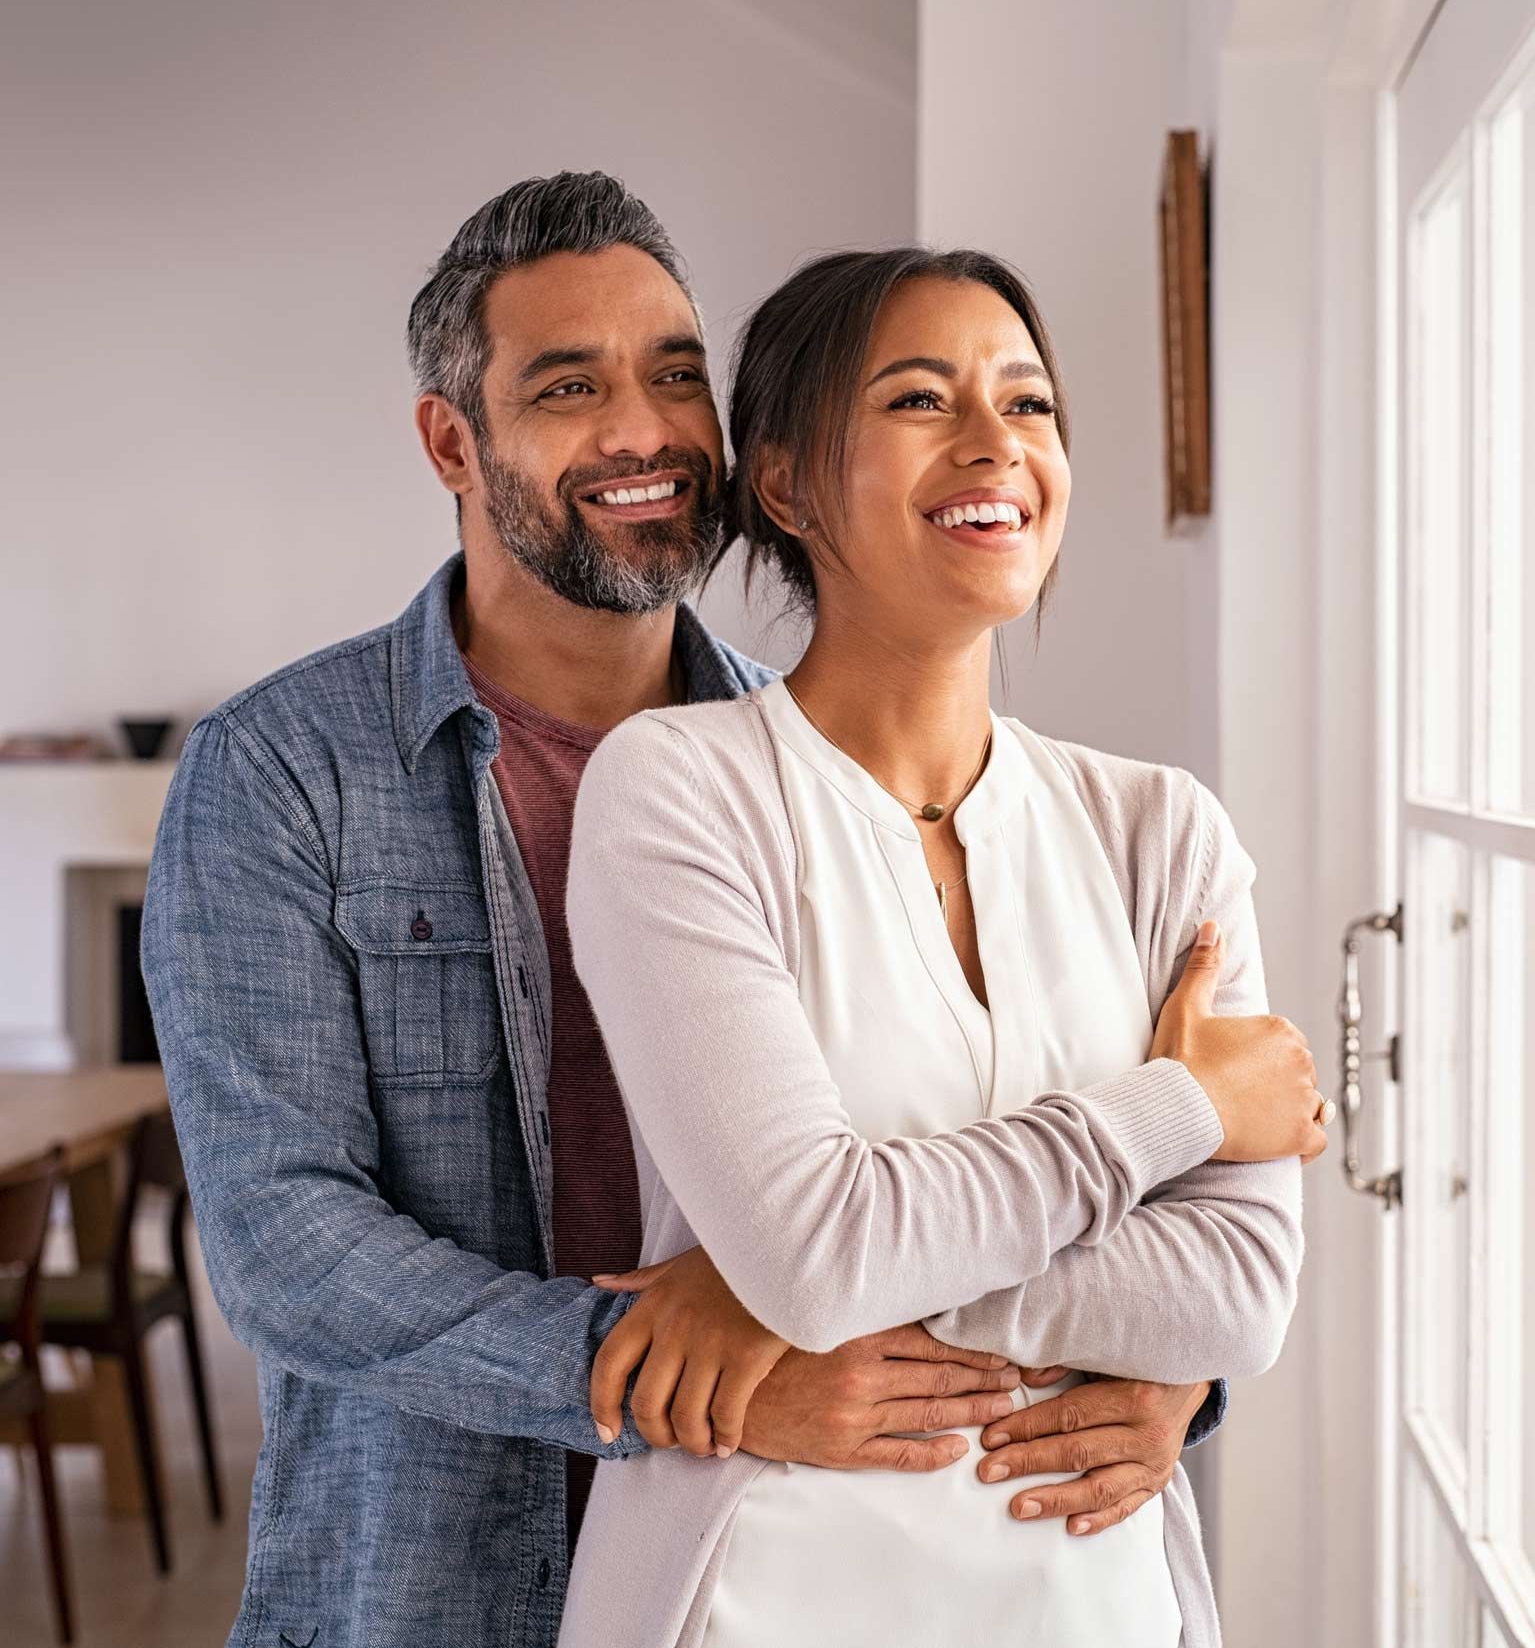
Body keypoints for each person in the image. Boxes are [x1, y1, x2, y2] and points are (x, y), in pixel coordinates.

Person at [141, 174, 1276, 1648]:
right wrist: (672, 1351)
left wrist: (1172, 1367)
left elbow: (1155, 1223)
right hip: (429, 1569)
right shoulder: (285, 771)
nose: (645, 432)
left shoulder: (818, 764)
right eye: (569, 386)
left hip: (805, 1546)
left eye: (678, 375)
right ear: (450, 441)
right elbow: (285, 1244)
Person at [559, 248, 1326, 1648]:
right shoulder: (678, 790)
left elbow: (1237, 1299)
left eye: (1029, 406)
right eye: (922, 400)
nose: (997, 445)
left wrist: (824, 1267)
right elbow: (812, 1247)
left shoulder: (1164, 832)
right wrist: (1187, 1110)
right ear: (785, 483)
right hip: (758, 1598)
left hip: (1104, 1604)